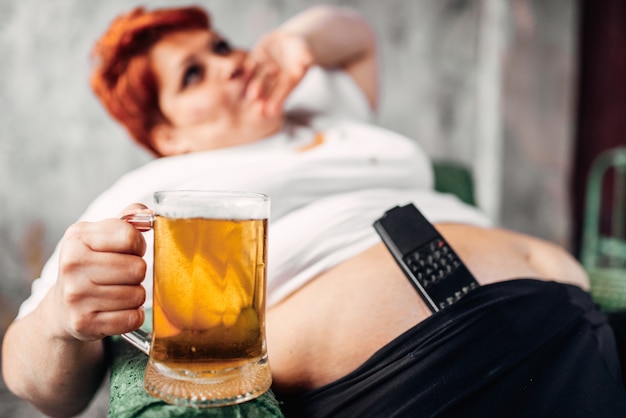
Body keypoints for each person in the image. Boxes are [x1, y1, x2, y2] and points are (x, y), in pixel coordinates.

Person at [2, 4, 625, 418]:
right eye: (194, 74)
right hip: (433, 369)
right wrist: (61, 316)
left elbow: (353, 37)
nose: (229, 61)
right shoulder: (157, 185)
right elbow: (32, 380)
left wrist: (294, 41)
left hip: (577, 323)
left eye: (221, 44)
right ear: (167, 135)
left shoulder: (324, 115)